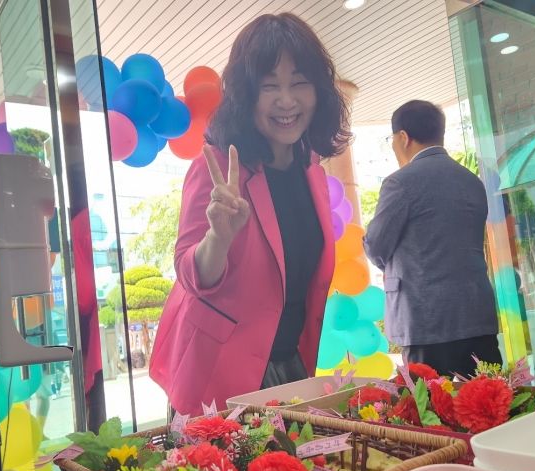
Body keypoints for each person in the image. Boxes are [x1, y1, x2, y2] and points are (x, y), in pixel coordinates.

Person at [149, 13, 350, 417]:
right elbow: (191, 274)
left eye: (299, 83)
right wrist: (218, 239)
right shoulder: (220, 168)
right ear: (246, 95)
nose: (286, 101)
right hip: (218, 379)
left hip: (290, 367)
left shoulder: (311, 169)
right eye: (269, 86)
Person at [363, 100, 500, 378]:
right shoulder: (472, 181)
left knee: (431, 402)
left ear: (403, 137)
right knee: (486, 398)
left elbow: (376, 246)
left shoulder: (400, 182)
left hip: (425, 319)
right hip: (476, 315)